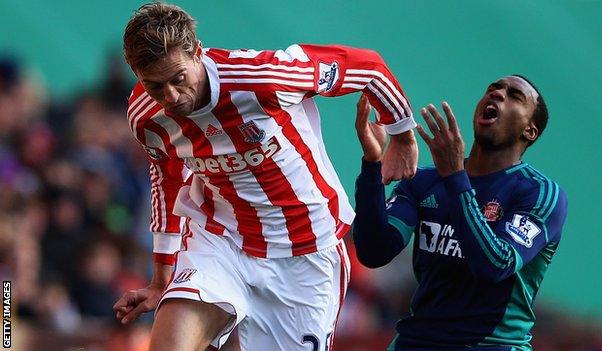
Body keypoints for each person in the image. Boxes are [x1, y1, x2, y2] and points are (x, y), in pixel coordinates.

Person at [112, 3, 418, 351]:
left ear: (197, 53)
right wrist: (161, 277)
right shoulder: (146, 116)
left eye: (178, 79)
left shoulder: (262, 79)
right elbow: (165, 179)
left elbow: (368, 68)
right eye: (154, 85)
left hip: (306, 250)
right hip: (220, 239)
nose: (170, 96)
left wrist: (402, 132)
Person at [352, 75, 568, 350]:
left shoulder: (538, 193)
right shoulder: (424, 181)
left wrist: (455, 176)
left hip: (491, 344)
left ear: (530, 130)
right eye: (493, 88)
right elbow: (374, 252)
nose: (498, 94)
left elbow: (495, 265)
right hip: (416, 341)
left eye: (514, 96)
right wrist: (372, 164)